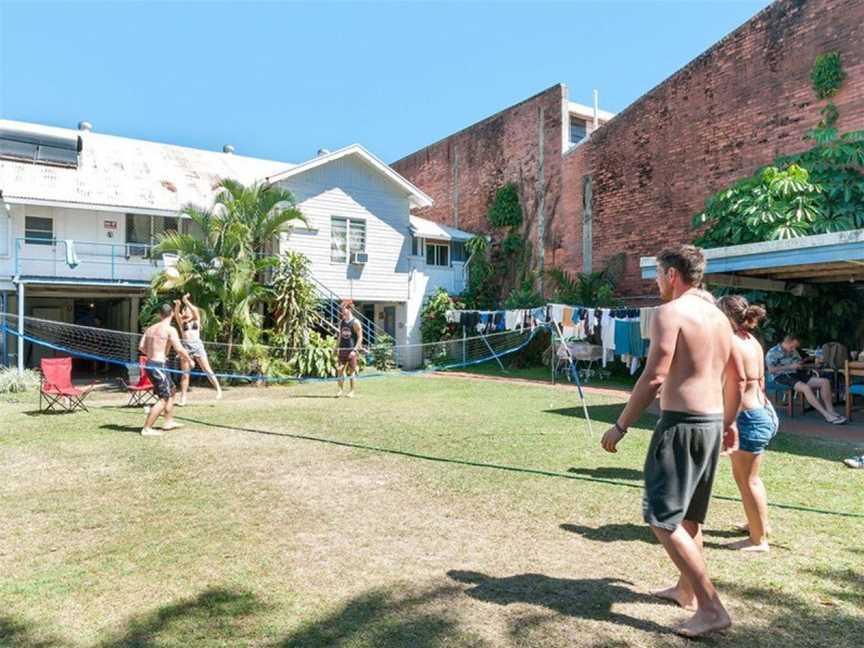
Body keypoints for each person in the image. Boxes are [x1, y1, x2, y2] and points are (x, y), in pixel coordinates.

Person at [600, 244, 741, 638]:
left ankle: (712, 607)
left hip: (681, 425)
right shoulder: (719, 317)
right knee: (690, 517)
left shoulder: (670, 312)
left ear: (673, 275)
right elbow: (732, 376)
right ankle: (686, 591)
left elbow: (654, 376)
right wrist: (729, 422)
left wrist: (621, 425)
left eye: (659, 275)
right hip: (711, 422)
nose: (657, 283)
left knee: (661, 518)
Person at [718, 295, 776, 553]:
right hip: (762, 411)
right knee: (748, 478)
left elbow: (738, 383)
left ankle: (758, 539)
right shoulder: (752, 341)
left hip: (748, 418)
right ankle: (757, 524)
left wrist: (726, 423)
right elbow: (760, 380)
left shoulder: (730, 341)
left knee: (748, 480)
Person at [138, 303, 193, 436]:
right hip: (158, 365)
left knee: (172, 390)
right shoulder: (170, 329)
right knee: (164, 398)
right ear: (172, 314)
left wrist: (154, 354)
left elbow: (141, 347)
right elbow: (179, 348)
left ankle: (168, 422)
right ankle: (147, 428)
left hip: (152, 364)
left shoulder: (150, 329)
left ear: (160, 315)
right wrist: (189, 360)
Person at [765, 334, 846, 424]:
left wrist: (802, 365)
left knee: (825, 382)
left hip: (795, 374)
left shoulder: (793, 351)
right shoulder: (773, 352)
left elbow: (798, 364)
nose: (793, 349)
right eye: (792, 347)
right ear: (787, 342)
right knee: (805, 388)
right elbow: (771, 370)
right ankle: (827, 416)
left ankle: (831, 411)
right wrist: (790, 366)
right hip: (780, 376)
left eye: (794, 347)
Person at [173, 293, 222, 405]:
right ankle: (183, 398)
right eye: (185, 310)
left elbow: (195, 310)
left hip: (197, 346)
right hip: (186, 347)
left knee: (207, 369)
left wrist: (186, 302)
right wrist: (178, 305)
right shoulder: (182, 322)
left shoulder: (196, 319)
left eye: (187, 310)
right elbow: (176, 314)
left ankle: (218, 389)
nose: (186, 311)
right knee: (185, 374)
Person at [335, 300, 363, 398]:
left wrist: (354, 350)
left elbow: (360, 337)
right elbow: (339, 336)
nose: (342, 310)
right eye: (341, 308)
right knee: (340, 370)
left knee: (352, 372)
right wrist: (336, 347)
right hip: (342, 350)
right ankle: (340, 390)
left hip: (351, 351)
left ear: (349, 309)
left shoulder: (355, 322)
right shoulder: (342, 322)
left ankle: (352, 391)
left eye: (344, 308)